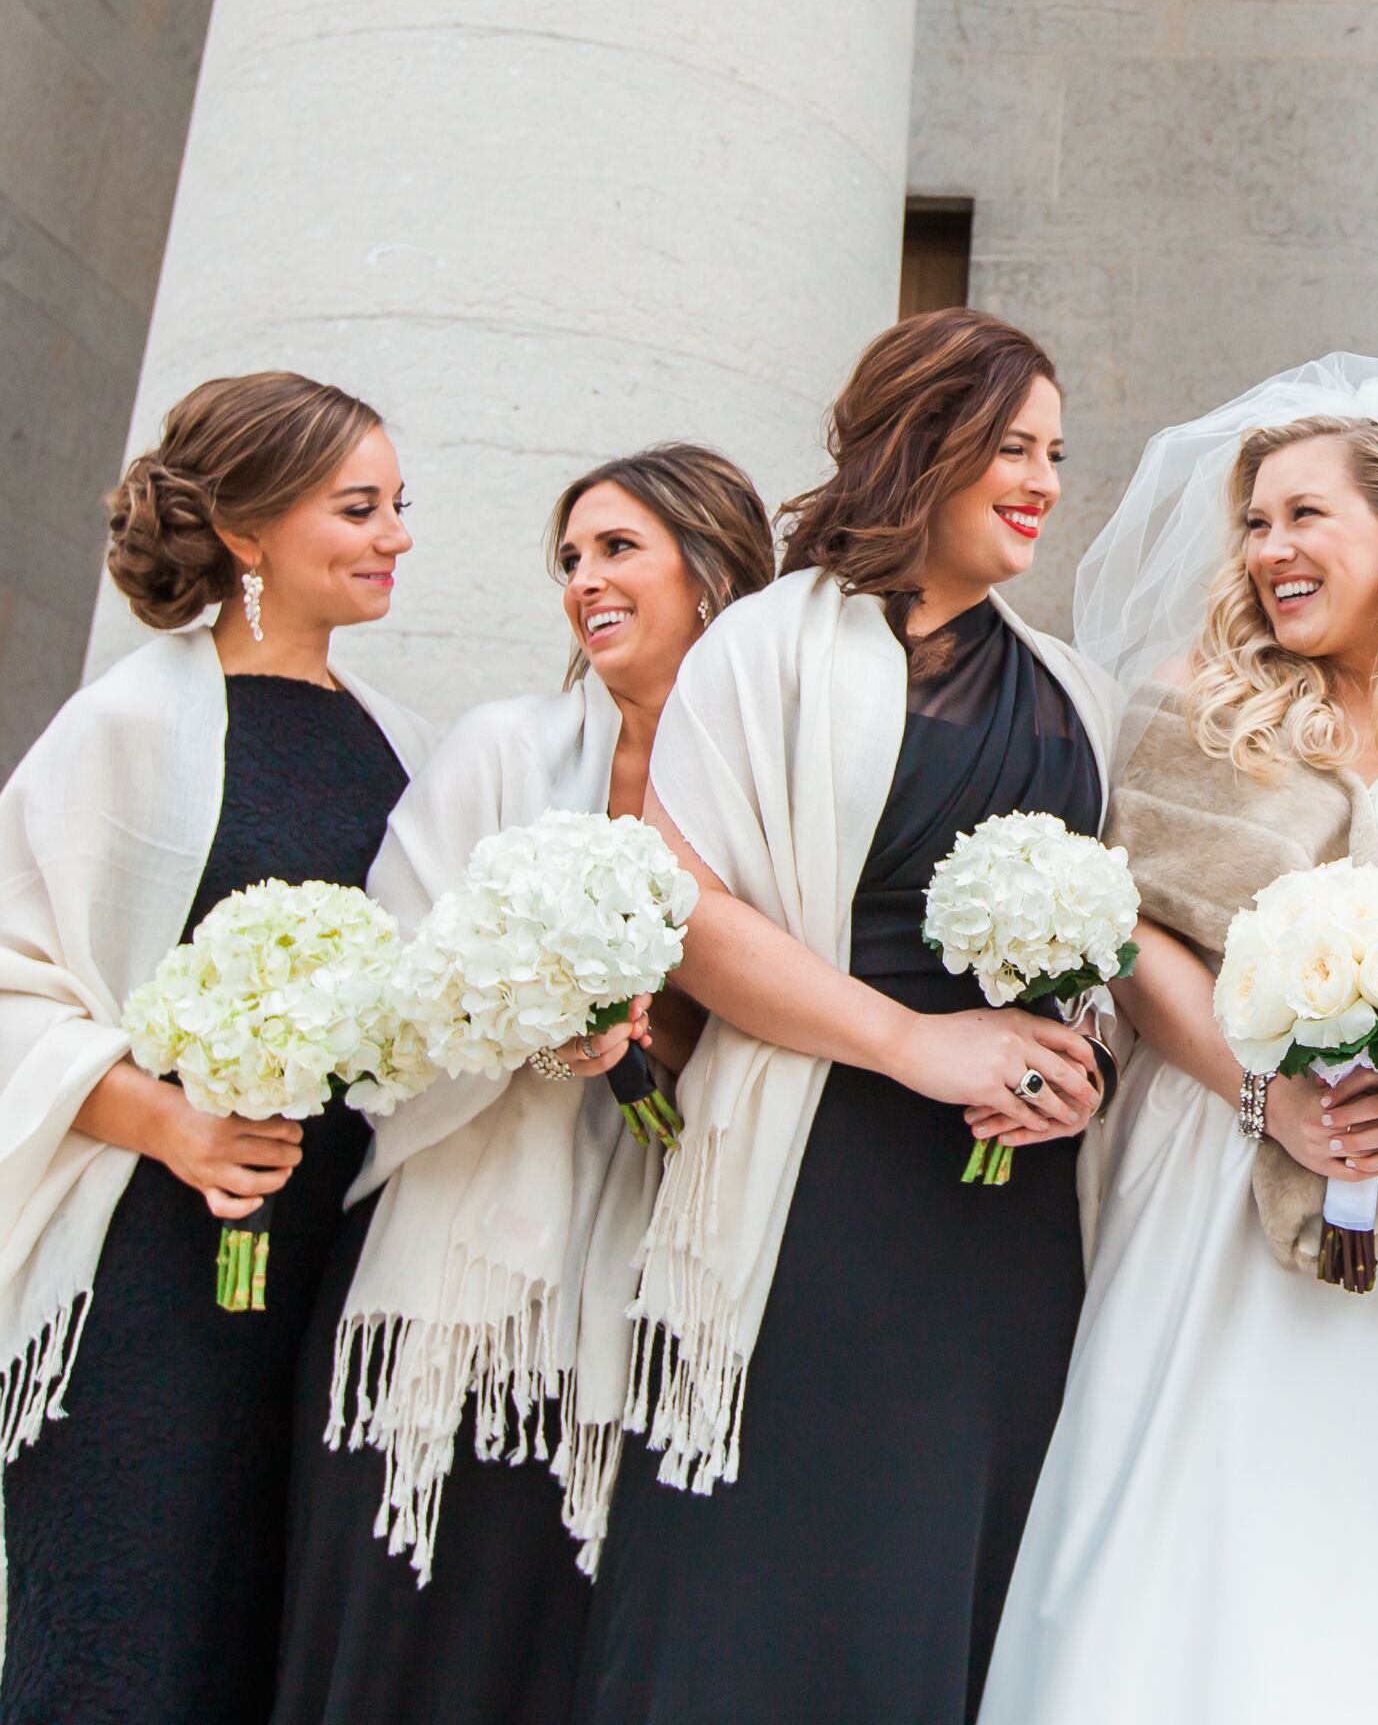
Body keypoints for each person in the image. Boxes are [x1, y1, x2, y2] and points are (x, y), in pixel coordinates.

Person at [978, 356, 1378, 1725]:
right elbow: (1138, 936)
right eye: (1256, 523)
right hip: (1224, 1155)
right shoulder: (1196, 695)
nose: (1271, 549)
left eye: (1306, 517)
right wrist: (1264, 1096)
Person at [577, 311, 1120, 1725]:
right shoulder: (769, 647)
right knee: (768, 1564)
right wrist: (913, 1043)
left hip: (1006, 1212)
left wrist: (1083, 1067)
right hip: (818, 1174)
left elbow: (1122, 946)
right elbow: (683, 909)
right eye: (1012, 447)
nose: (1043, 481)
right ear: (920, 440)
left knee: (954, 1572)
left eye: (1056, 454)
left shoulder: (1076, 692)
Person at [0, 372, 428, 1725]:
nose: (394, 537)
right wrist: (173, 1125)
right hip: (148, 1283)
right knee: (126, 1652)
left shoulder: (403, 748)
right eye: (360, 508)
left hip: (331, 1278)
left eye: (398, 508)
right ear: (253, 531)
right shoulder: (129, 728)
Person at [273, 445, 777, 1725]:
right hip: (459, 1279)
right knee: (405, 1624)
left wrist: (662, 1046)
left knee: (558, 1644)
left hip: (652, 1274)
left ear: (714, 566)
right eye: (568, 559)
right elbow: (384, 998)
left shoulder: (778, 794)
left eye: (617, 549)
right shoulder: (504, 749)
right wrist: (531, 1022)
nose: (582, 582)